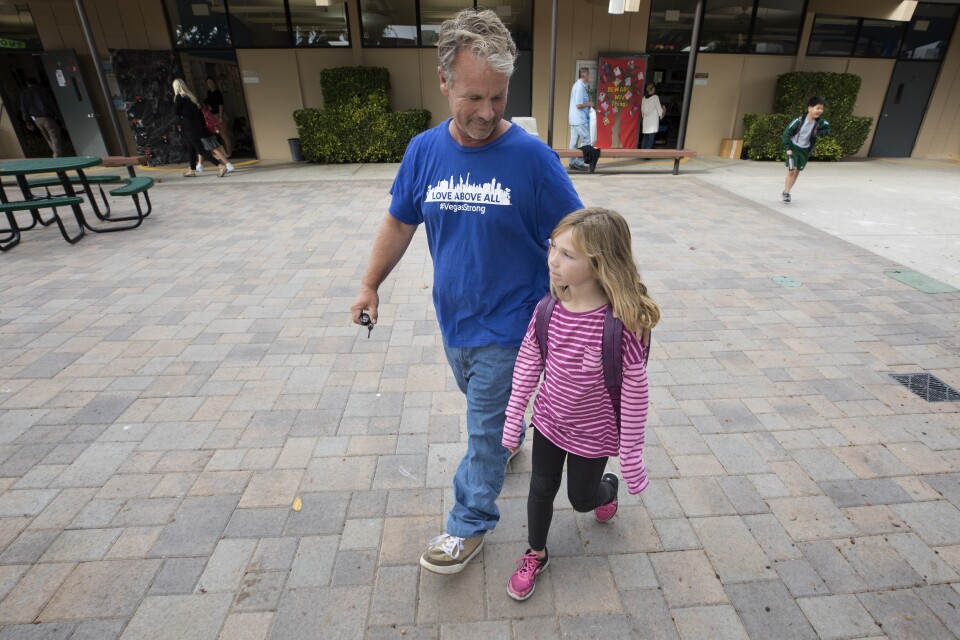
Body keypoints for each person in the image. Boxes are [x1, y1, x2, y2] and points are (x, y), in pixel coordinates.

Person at [350, 8, 583, 575]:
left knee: (482, 431)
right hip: (455, 322)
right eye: (473, 97)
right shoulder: (424, 152)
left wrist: (607, 301)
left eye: (498, 98)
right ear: (444, 82)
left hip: (512, 327)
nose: (486, 113)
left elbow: (580, 230)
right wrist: (369, 284)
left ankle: (468, 524)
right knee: (488, 411)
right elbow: (400, 223)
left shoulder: (531, 158)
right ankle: (510, 435)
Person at [502, 207, 660, 601]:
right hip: (551, 423)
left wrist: (632, 455)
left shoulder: (618, 326)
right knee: (541, 487)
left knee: (581, 499)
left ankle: (608, 490)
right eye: (553, 248)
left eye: (568, 255)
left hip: (595, 432)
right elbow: (527, 364)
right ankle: (535, 553)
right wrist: (513, 418)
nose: (553, 259)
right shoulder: (547, 311)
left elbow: (637, 395)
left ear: (599, 265)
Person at [172, 79, 228, 178]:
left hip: (190, 128)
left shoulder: (179, 97)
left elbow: (176, 112)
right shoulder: (191, 97)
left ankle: (220, 166)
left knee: (201, 150)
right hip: (198, 127)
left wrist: (182, 118)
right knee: (191, 148)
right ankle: (192, 169)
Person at [781, 96, 831, 203]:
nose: (820, 111)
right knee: (791, 170)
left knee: (797, 172)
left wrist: (818, 133)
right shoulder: (798, 121)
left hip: (805, 150)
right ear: (809, 108)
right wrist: (788, 148)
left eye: (822, 109)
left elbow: (828, 129)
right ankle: (788, 193)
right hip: (793, 148)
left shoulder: (820, 122)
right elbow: (786, 133)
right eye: (818, 108)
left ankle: (786, 190)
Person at [19, 77, 64, 157]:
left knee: (47, 137)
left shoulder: (24, 94)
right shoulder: (43, 91)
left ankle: (55, 152)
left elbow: (24, 109)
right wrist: (60, 117)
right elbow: (52, 105)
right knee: (54, 136)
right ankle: (57, 155)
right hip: (48, 117)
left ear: (27, 84)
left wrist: (27, 122)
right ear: (37, 83)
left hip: (36, 119)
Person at [196, 104, 234, 174]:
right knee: (200, 148)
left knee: (214, 149)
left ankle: (228, 165)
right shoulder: (204, 111)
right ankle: (200, 165)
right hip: (208, 131)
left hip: (203, 133)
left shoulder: (197, 112)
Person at [568, 67, 592, 171]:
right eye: (589, 75)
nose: (589, 77)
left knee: (573, 142)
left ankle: (572, 162)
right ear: (586, 75)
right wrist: (589, 104)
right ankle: (579, 162)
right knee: (586, 139)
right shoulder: (580, 87)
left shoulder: (577, 85)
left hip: (574, 118)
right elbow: (578, 105)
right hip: (580, 119)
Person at [204, 76, 232, 157]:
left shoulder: (218, 93)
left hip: (219, 114)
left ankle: (229, 151)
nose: (210, 84)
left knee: (224, 134)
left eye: (211, 82)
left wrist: (220, 116)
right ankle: (225, 151)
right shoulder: (209, 93)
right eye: (208, 83)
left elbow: (221, 104)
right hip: (213, 115)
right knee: (219, 134)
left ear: (214, 83)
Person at [639, 83, 664, 150]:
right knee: (650, 139)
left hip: (646, 121)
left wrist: (644, 117)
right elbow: (659, 109)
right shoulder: (655, 97)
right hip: (653, 122)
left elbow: (642, 110)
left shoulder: (644, 98)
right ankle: (647, 154)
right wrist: (662, 112)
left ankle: (642, 153)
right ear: (653, 89)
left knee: (645, 137)